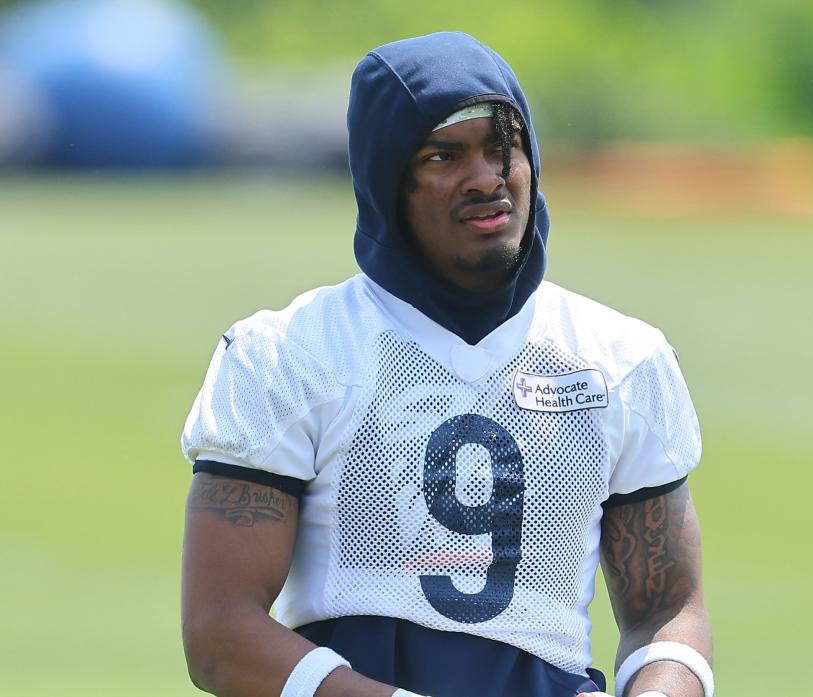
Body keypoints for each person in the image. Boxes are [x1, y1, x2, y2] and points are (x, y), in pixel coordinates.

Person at [180, 31, 712, 697]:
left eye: (502, 148)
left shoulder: (619, 359)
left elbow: (667, 608)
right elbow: (219, 634)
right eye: (443, 155)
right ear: (386, 179)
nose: (487, 177)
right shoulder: (289, 353)